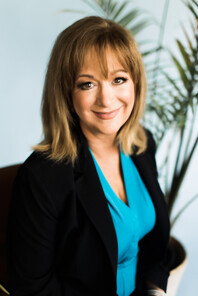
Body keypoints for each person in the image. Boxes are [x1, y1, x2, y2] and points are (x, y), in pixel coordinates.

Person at [7, 16, 171, 296]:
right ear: (66, 92)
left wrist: (156, 291)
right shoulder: (42, 176)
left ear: (135, 84)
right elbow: (33, 289)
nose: (106, 99)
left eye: (118, 79)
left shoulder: (142, 146)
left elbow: (155, 249)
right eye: (87, 84)